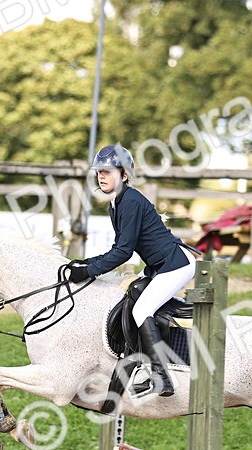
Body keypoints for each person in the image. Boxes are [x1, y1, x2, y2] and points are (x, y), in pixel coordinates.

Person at [66, 144, 197, 399]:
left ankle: (161, 378)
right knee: (134, 297)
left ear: (124, 175)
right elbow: (118, 248)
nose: (101, 176)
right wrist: (85, 263)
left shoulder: (131, 201)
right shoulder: (116, 204)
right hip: (161, 266)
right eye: (99, 172)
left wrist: (89, 272)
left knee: (142, 309)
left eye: (107, 171)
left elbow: (124, 253)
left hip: (176, 265)